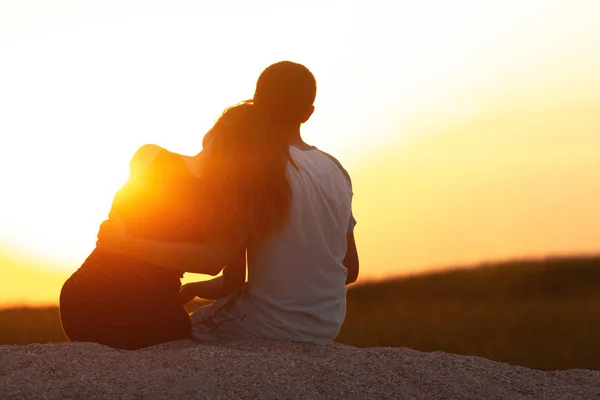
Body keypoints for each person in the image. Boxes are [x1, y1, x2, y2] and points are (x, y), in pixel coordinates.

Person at [99, 61, 359, 345]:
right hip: (328, 326)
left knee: (176, 332)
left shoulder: (256, 169)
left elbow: (231, 278)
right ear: (308, 114)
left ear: (256, 103)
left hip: (265, 324)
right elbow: (350, 269)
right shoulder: (337, 170)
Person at [59, 101, 277, 350]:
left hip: (80, 307)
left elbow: (116, 226)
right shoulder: (237, 203)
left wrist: (125, 244)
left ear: (213, 132)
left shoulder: (149, 155)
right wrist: (192, 288)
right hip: (151, 324)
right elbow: (226, 276)